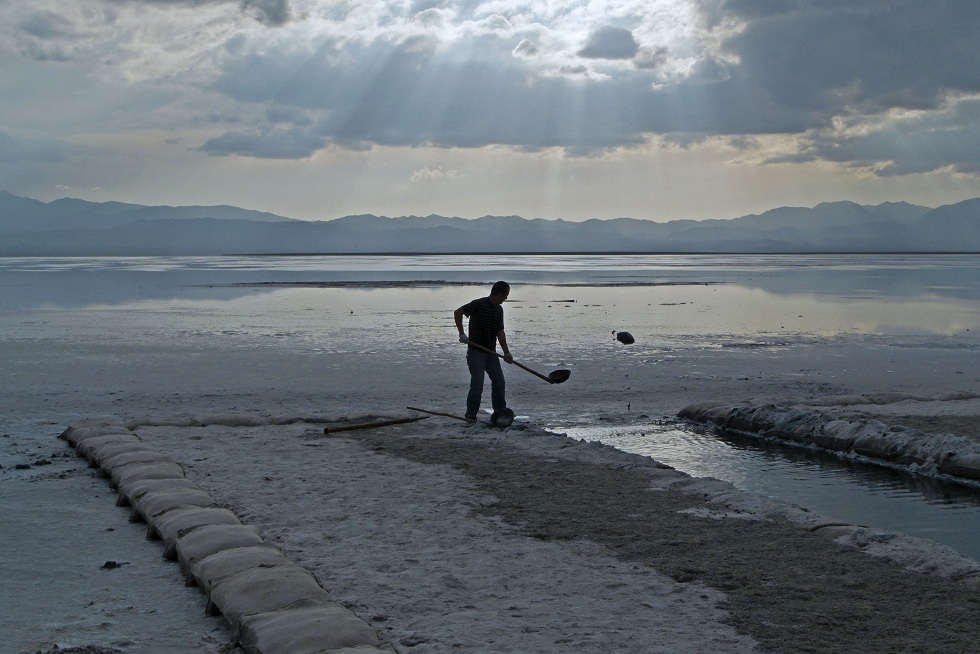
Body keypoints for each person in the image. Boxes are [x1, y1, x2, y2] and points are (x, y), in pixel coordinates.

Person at [454, 281, 513, 421]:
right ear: (499, 294)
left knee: (499, 382)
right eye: (505, 295)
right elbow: (458, 312)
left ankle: (499, 413)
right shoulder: (479, 304)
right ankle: (471, 416)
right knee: (477, 385)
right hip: (476, 352)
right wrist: (461, 334)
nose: (506, 298)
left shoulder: (499, 310)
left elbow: (500, 332)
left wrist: (506, 352)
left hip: (491, 353)